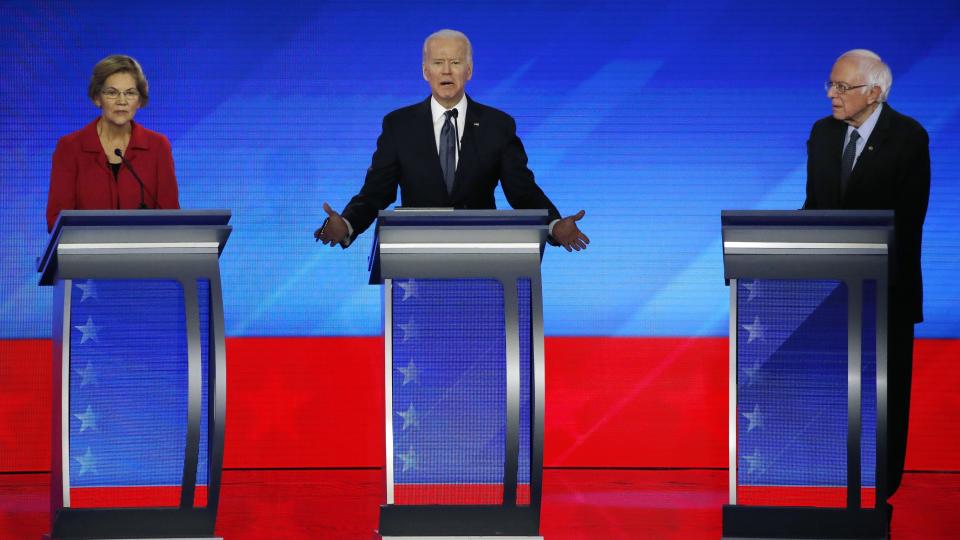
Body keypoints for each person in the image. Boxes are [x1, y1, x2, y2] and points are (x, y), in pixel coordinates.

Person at [315, 29, 589, 251]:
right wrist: (348, 223)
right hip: (415, 256)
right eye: (438, 62)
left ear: (468, 71)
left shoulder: (498, 125)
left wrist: (553, 224)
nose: (447, 71)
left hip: (483, 255)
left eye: (455, 62)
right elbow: (376, 192)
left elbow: (522, 191)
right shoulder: (398, 125)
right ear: (426, 71)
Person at [803, 49, 930, 519]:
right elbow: (814, 209)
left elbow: (906, 219)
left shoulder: (908, 137)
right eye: (830, 84)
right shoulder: (821, 134)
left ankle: (882, 487)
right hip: (830, 290)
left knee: (885, 391)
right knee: (835, 389)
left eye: (843, 87)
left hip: (886, 289)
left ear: (875, 93)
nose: (831, 94)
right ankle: (833, 479)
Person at [46, 54, 179, 232]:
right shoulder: (70, 147)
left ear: (139, 101)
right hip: (87, 256)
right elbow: (56, 220)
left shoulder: (158, 146)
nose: (121, 101)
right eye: (112, 92)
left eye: (130, 93)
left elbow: (171, 216)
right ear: (96, 98)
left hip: (145, 256)